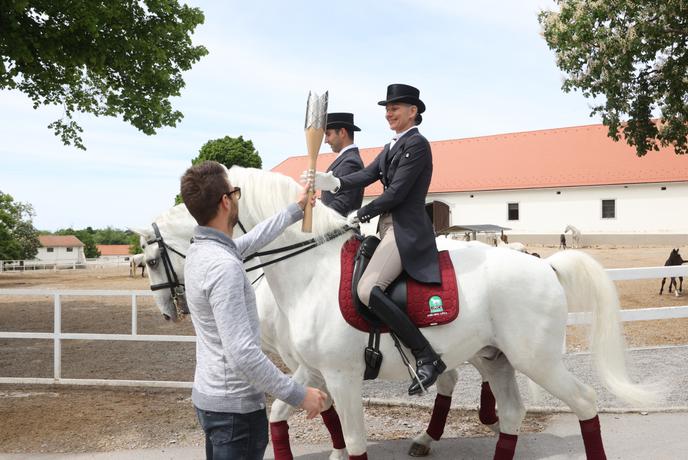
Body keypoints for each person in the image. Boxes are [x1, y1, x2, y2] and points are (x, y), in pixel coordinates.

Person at [180, 161, 327, 460]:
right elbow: (243, 353)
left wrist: (295, 209)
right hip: (236, 413)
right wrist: (300, 394)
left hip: (211, 400)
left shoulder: (200, 251)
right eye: (235, 193)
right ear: (225, 201)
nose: (237, 199)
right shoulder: (224, 267)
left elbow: (251, 241)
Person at [307, 83, 445, 396]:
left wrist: (362, 213)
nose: (388, 113)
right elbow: (367, 175)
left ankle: (426, 356)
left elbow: (396, 193)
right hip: (387, 228)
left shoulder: (418, 145)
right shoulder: (392, 146)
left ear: (413, 112)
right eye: (386, 109)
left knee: (369, 289)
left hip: (406, 229)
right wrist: (334, 181)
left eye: (395, 108)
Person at [321, 112, 365, 216]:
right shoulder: (346, 159)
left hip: (341, 229)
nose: (325, 141)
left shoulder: (351, 162)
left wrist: (319, 217)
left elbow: (344, 202)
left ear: (342, 132)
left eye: (328, 134)